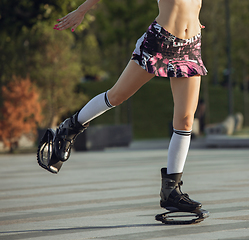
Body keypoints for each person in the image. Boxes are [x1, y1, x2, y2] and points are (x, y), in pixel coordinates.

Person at [51, 0, 207, 213]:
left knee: (186, 119)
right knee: (117, 96)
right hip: (160, 42)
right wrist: (82, 10)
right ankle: (71, 127)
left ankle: (171, 190)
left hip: (191, 45)